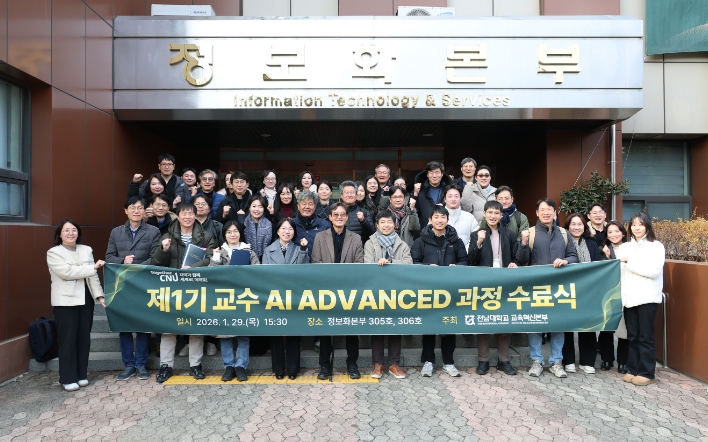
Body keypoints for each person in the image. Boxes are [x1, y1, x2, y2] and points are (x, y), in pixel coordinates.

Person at [152, 201, 215, 383]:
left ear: (195, 215)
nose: (187, 217)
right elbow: (156, 263)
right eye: (184, 213)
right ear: (177, 216)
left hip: (196, 288)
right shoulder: (167, 236)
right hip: (172, 289)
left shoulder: (206, 236)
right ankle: (166, 366)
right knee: (168, 328)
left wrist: (192, 268)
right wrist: (163, 250)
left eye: (190, 213)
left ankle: (195, 365)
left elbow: (211, 259)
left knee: (195, 328)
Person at [468, 201, 529, 376]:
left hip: (505, 284)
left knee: (504, 323)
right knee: (484, 324)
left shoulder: (509, 234)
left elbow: (518, 257)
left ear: (501, 215)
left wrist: (515, 263)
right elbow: (471, 259)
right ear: (484, 214)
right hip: (484, 285)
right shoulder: (476, 234)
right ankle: (483, 361)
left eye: (496, 213)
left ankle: (504, 360)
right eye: (490, 212)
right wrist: (479, 242)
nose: (493, 216)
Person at [105, 197, 161, 382]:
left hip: (143, 284)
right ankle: (129, 364)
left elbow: (155, 258)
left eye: (140, 208)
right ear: (126, 211)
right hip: (122, 286)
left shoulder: (153, 231)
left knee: (143, 325)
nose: (136, 211)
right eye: (132, 208)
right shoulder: (116, 232)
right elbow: (109, 257)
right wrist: (122, 261)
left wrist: (136, 268)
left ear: (145, 211)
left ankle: (141, 364)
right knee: (124, 327)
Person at [47, 219, 106, 392]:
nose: (71, 233)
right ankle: (67, 378)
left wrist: (99, 296)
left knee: (83, 338)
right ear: (59, 234)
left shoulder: (86, 249)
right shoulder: (54, 252)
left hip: (85, 299)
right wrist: (93, 267)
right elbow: (67, 273)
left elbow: (92, 276)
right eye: (66, 230)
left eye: (74, 230)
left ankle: (81, 375)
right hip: (65, 301)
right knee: (68, 339)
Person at [411, 205, 468, 378]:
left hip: (449, 291)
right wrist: (427, 267)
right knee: (428, 326)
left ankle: (448, 362)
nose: (440, 220)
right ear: (430, 220)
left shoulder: (455, 241)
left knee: (449, 326)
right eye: (436, 217)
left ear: (448, 220)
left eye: (443, 217)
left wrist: (456, 266)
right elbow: (414, 263)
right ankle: (428, 361)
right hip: (427, 291)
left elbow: (465, 261)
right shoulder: (420, 241)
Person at [526, 198, 579, 379]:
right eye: (542, 209)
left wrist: (565, 261)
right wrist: (524, 243)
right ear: (537, 213)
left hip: (559, 287)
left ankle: (556, 362)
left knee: (558, 324)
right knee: (535, 323)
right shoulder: (530, 233)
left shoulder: (564, 233)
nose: (546, 212)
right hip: (536, 287)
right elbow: (522, 259)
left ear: (555, 212)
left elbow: (574, 256)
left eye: (549, 209)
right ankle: (536, 361)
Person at [312, 203, 365, 380]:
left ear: (347, 217)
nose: (339, 217)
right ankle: (325, 365)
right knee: (325, 330)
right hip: (326, 290)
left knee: (351, 329)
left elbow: (359, 264)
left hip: (349, 290)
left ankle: (352, 363)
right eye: (336, 214)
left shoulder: (355, 238)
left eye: (343, 214)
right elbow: (316, 263)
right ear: (330, 217)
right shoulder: (320, 237)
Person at [364, 210, 412, 379]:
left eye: (389, 222)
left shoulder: (402, 244)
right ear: (377, 225)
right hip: (376, 292)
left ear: (395, 225)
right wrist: (378, 265)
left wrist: (390, 263)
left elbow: (408, 264)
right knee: (377, 327)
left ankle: (394, 364)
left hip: (397, 292)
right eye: (382, 222)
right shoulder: (370, 243)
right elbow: (367, 265)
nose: (386, 225)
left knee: (395, 327)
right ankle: (377, 364)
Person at [618, 212, 665, 386]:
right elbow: (621, 276)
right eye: (634, 224)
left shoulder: (656, 246)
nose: (637, 228)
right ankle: (633, 369)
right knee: (632, 336)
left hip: (647, 298)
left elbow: (653, 272)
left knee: (646, 337)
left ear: (647, 226)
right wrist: (622, 300)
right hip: (629, 299)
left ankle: (646, 373)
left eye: (641, 224)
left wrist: (629, 262)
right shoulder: (625, 247)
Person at [209, 220, 258, 381]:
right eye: (229, 232)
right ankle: (229, 366)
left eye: (235, 231)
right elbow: (211, 275)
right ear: (224, 235)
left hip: (244, 296)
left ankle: (241, 366)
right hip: (224, 296)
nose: (233, 234)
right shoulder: (220, 251)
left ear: (240, 233)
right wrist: (216, 258)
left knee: (243, 332)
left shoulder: (248, 251)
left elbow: (259, 272)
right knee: (225, 334)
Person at [262, 218, 309, 379]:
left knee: (293, 333)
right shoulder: (268, 250)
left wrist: (303, 249)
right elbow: (264, 274)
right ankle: (279, 369)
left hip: (293, 295)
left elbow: (304, 271)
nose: (286, 231)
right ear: (277, 231)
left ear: (294, 232)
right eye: (283, 228)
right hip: (275, 295)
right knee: (276, 334)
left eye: (290, 229)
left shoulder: (298, 248)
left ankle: (293, 369)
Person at [561, 213, 604, 375]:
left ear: (584, 226)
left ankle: (587, 361)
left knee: (588, 325)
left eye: (580, 224)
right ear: (567, 227)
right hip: (567, 289)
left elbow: (597, 266)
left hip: (587, 290)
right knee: (567, 326)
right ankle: (568, 361)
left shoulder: (591, 244)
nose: (576, 227)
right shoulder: (563, 243)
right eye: (573, 224)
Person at [599, 221, 630, 374]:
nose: (614, 235)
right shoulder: (602, 249)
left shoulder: (631, 248)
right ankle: (607, 359)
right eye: (610, 232)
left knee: (624, 330)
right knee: (606, 329)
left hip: (627, 293)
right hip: (608, 294)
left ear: (623, 232)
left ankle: (623, 362)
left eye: (617, 231)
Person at [412, 161, 453, 228]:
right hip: (424, 230)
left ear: (442, 174)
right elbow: (412, 211)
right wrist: (415, 194)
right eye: (431, 172)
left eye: (437, 172)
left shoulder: (449, 191)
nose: (434, 176)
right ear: (427, 174)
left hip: (445, 229)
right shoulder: (419, 190)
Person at [292, 190, 330, 259]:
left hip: (318, 263)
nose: (307, 207)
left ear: (315, 206)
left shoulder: (325, 225)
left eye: (310, 204)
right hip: (296, 263)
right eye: (304, 204)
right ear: (298, 206)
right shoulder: (291, 225)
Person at [443, 184, 479, 250]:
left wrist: (465, 251)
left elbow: (476, 236)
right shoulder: (437, 217)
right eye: (450, 196)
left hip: (465, 254)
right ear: (445, 199)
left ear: (460, 199)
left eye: (456, 196)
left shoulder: (469, 217)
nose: (453, 199)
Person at [242, 195, 272, 261]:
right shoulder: (243, 223)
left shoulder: (269, 224)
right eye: (254, 206)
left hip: (266, 259)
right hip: (247, 258)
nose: (257, 209)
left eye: (260, 207)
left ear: (264, 209)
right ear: (249, 208)